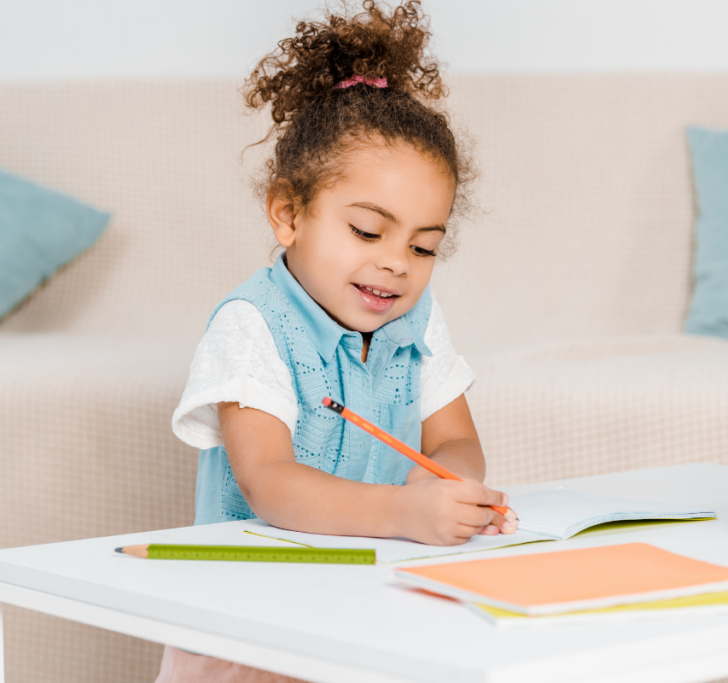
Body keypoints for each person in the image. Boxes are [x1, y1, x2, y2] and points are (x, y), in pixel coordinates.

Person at [161, 2, 515, 679]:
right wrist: (406, 509)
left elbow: (457, 441)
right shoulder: (252, 325)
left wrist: (448, 484)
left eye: (422, 246)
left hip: (363, 604)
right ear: (289, 214)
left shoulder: (416, 319)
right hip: (252, 623)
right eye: (367, 230)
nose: (396, 262)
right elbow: (269, 481)